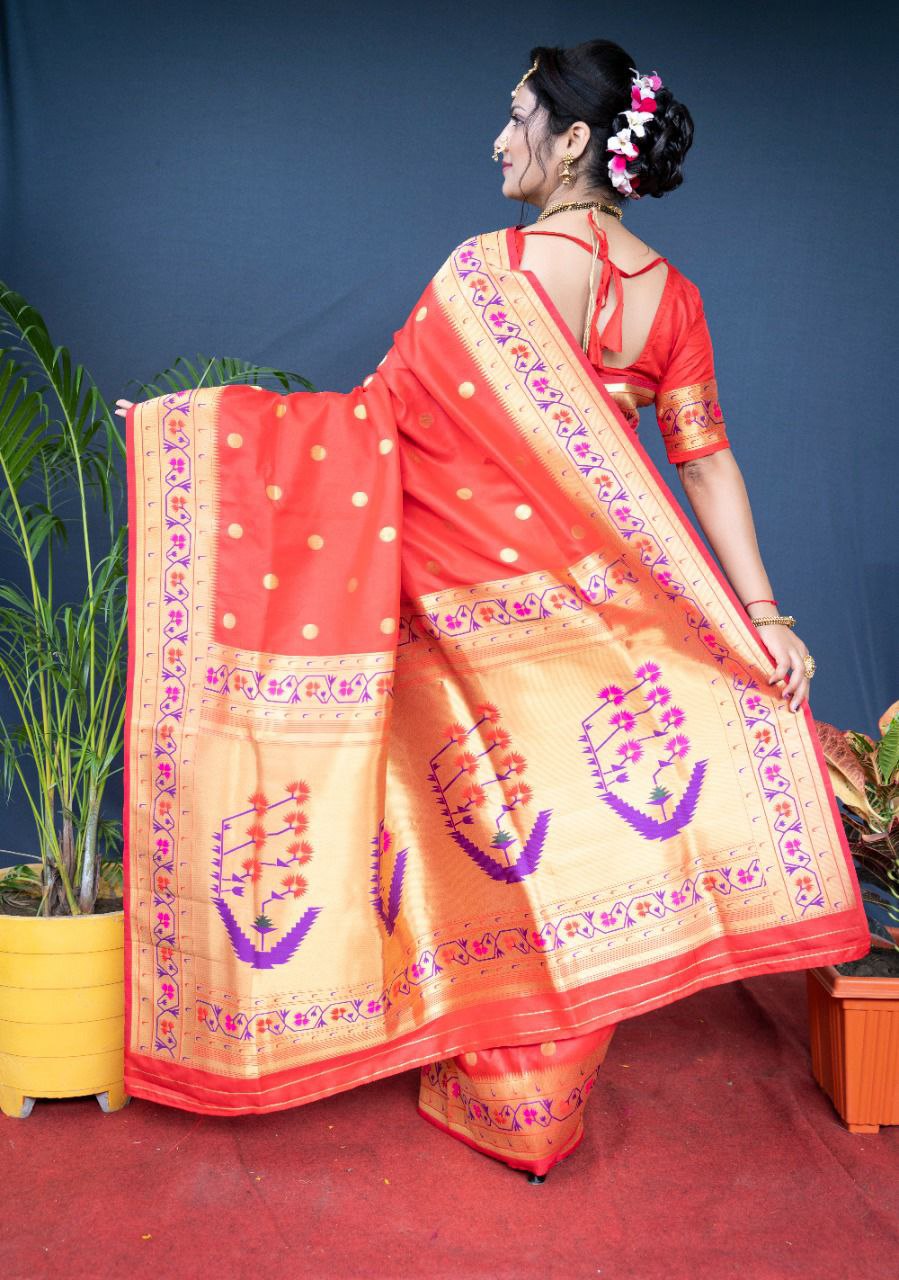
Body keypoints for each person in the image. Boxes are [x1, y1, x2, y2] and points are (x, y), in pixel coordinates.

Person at [115, 39, 869, 1183]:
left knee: (473, 820)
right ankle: (528, 1097)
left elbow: (366, 432)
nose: (496, 139)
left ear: (572, 141)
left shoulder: (493, 271)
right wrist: (760, 614)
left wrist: (198, 436)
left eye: (517, 116)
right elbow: (704, 460)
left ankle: (493, 1078)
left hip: (465, 597)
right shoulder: (674, 297)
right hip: (601, 611)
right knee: (572, 828)